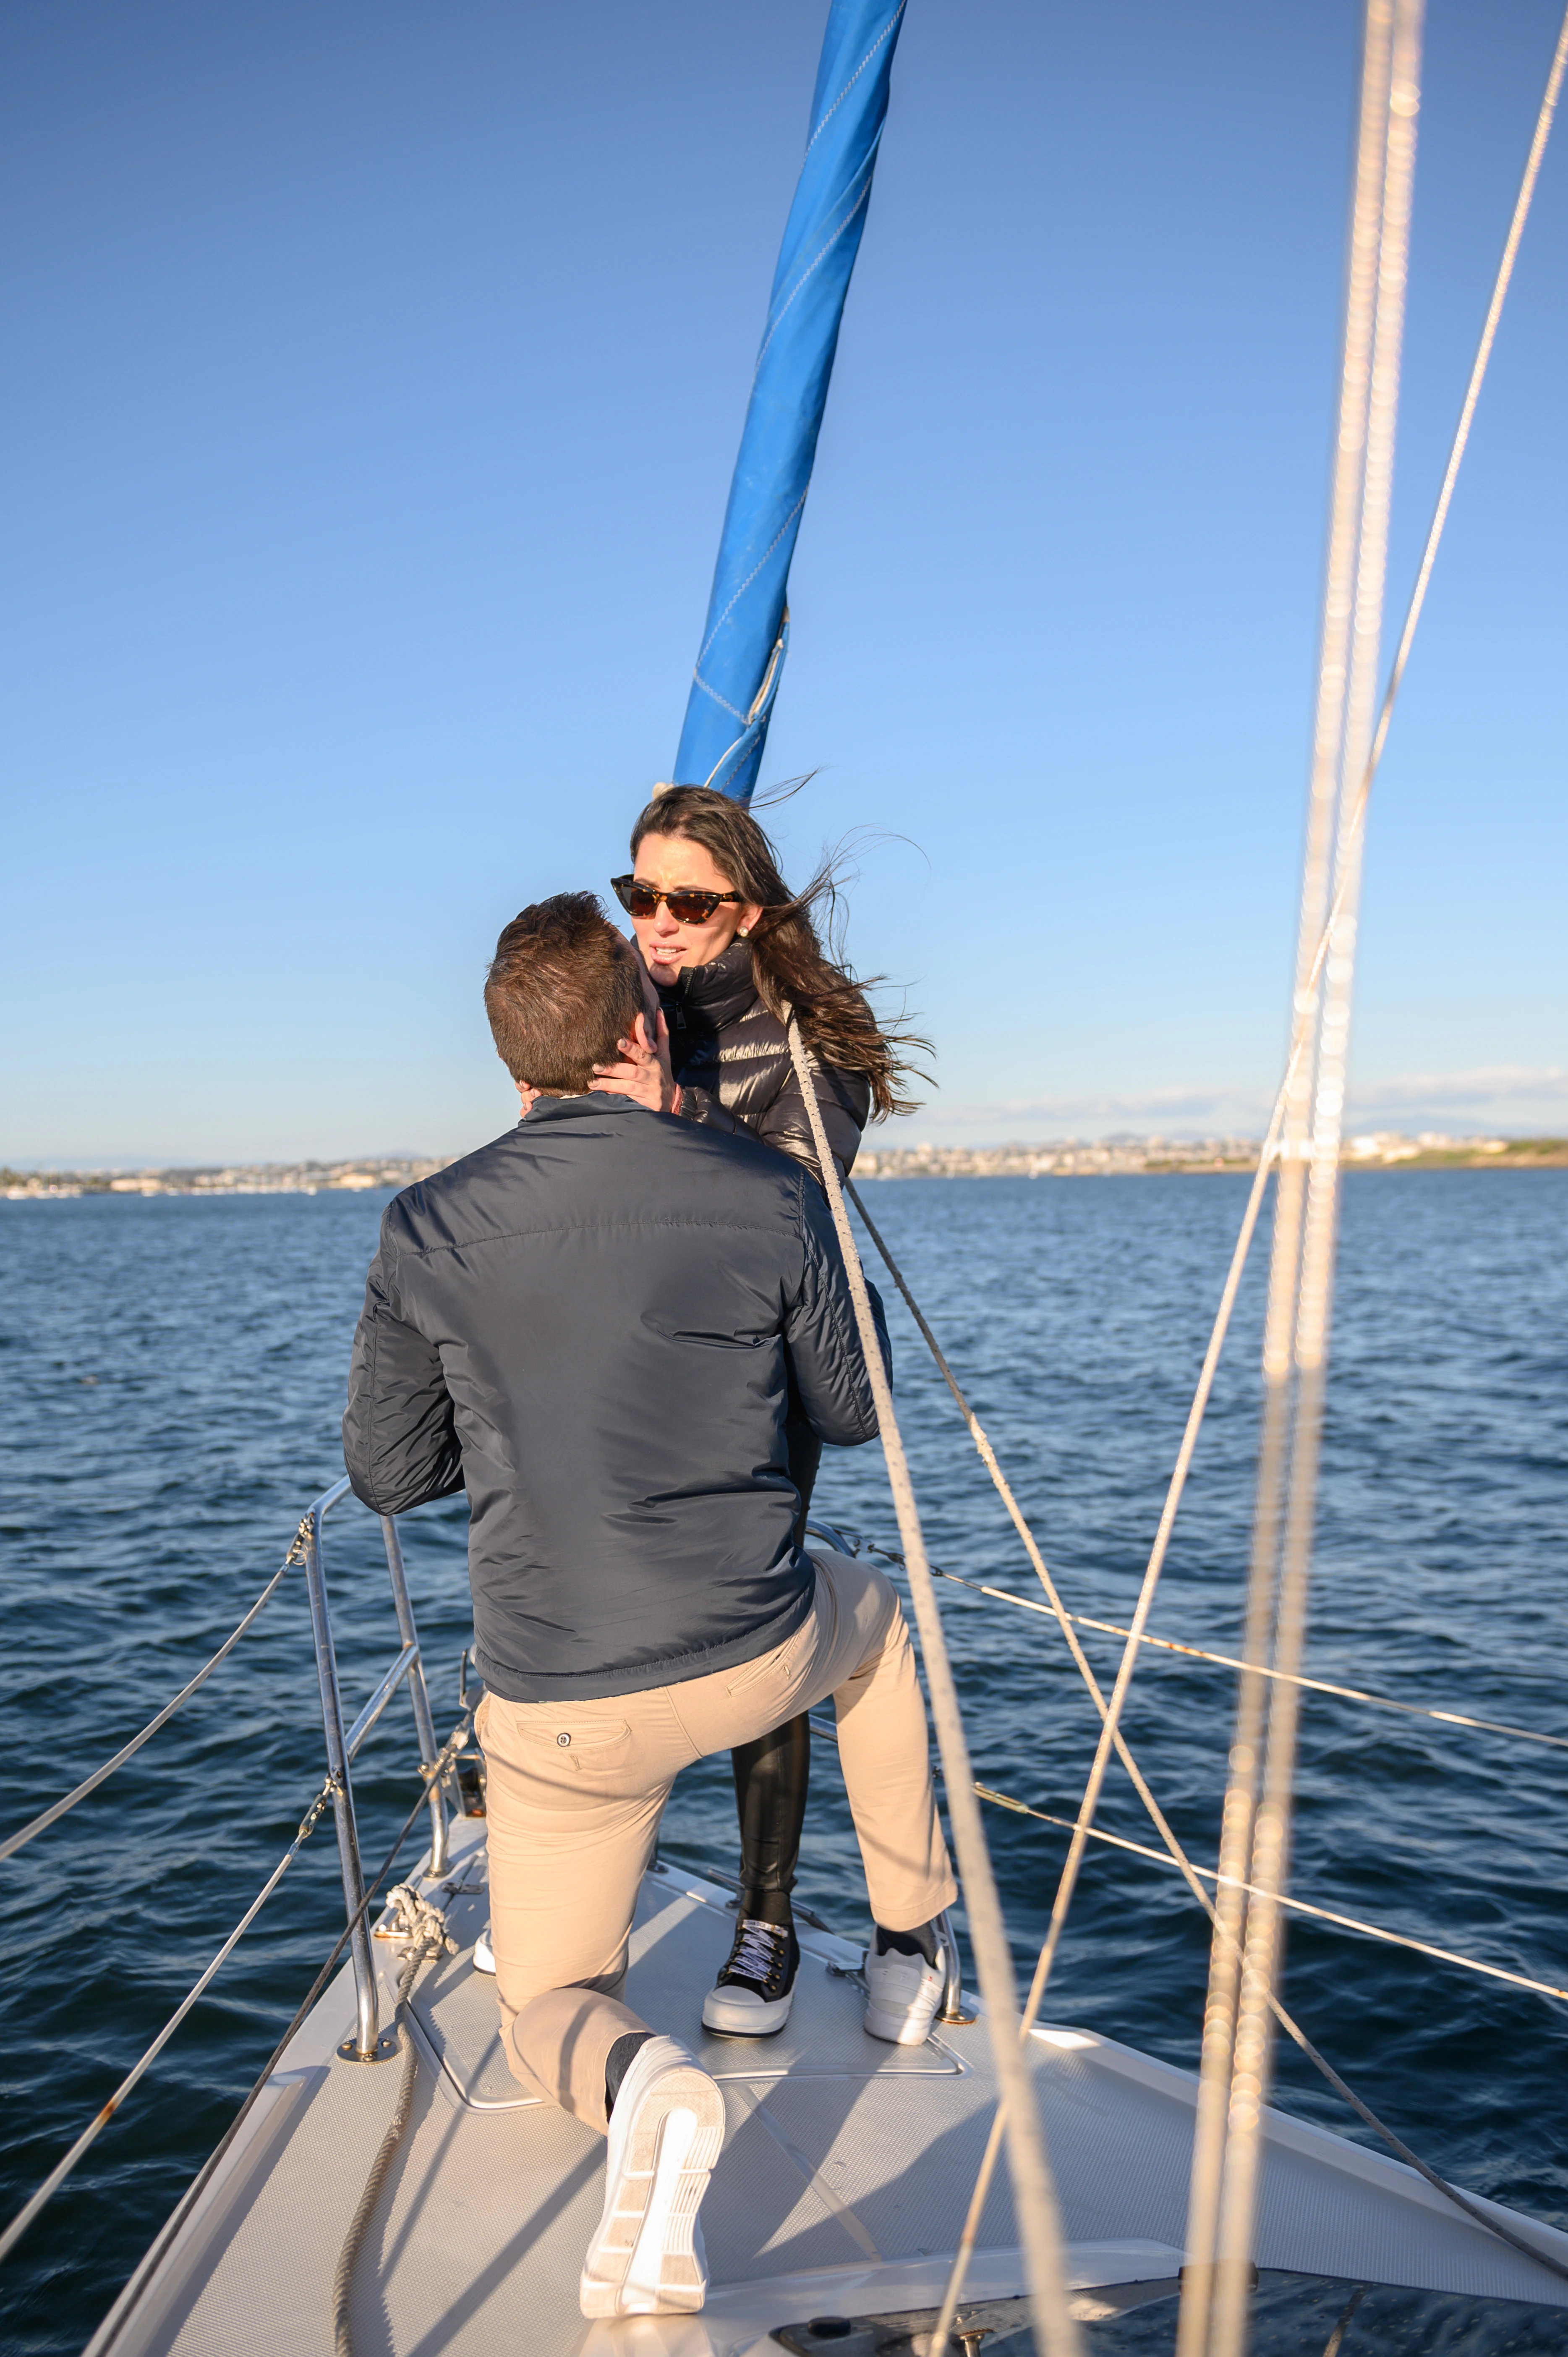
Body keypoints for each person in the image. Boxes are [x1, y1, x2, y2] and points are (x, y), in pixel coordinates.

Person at [342, 892, 958, 2320]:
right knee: (875, 1636)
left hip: (562, 1706)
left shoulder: (426, 1226)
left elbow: (387, 1472)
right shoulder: (767, 1189)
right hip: (754, 1654)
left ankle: (646, 2079)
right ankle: (909, 1949)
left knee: (544, 2007)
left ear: (514, 1065)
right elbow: (854, 1413)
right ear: (639, 1029)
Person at [591, 784, 927, 2042]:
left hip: (773, 1372)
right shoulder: (632, 1018)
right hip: (651, 1364)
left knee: (761, 1623)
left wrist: (670, 1114)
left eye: (687, 900)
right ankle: (589, 1881)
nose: (659, 923)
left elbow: (797, 1201)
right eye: (641, 896)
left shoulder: (809, 1039)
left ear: (745, 908)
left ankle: (767, 1920)